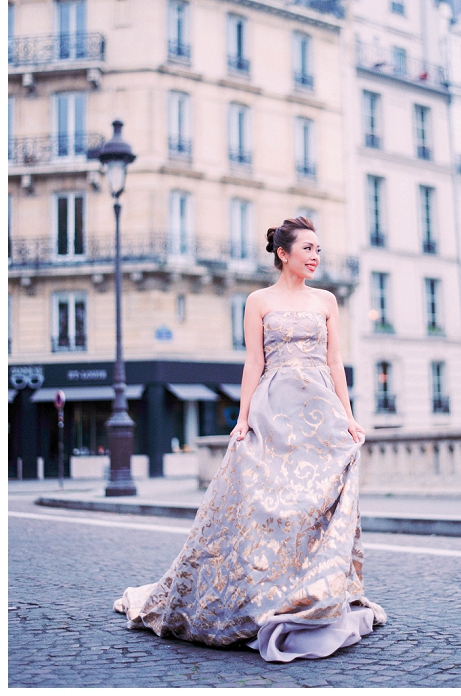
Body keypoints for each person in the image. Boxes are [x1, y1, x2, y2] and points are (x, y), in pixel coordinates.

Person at [114, 217, 386, 662]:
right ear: (284, 253)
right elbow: (253, 362)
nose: (316, 256)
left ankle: (313, 589)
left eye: (319, 249)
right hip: (274, 405)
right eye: (308, 249)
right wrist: (242, 419)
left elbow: (335, 361)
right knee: (265, 500)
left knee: (314, 502)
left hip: (319, 410)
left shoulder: (328, 300)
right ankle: (261, 591)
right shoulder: (258, 300)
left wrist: (349, 417)